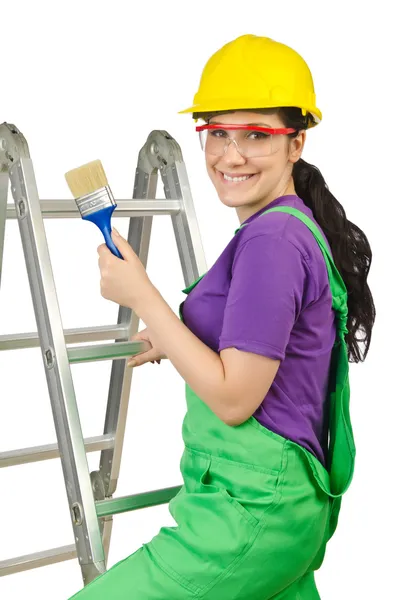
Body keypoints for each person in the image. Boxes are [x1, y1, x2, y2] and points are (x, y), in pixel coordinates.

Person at [69, 34, 376, 599]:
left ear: (296, 142)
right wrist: (179, 333)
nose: (230, 155)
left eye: (257, 135)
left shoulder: (273, 241)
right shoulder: (293, 226)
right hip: (288, 512)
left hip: (248, 512)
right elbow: (269, 345)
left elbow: (236, 399)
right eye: (217, 134)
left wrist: (142, 295)